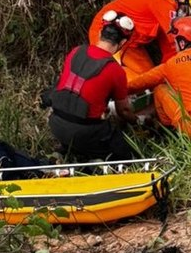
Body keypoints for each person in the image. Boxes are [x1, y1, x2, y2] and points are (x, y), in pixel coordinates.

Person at [48, 11, 139, 162]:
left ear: (99, 33)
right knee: (127, 155)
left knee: (79, 134)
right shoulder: (115, 70)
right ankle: (96, 161)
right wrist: (136, 121)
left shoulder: (76, 51)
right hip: (85, 131)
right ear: (122, 43)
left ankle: (65, 151)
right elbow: (123, 110)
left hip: (55, 123)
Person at [128, 16, 191, 137]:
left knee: (160, 89)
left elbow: (140, 83)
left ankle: (167, 132)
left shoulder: (171, 64)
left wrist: (116, 90)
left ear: (182, 42)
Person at [87, 0, 191, 79]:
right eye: (186, 11)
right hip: (107, 32)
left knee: (149, 78)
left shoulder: (169, 7)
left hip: (129, 42)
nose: (185, 17)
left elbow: (170, 50)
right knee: (124, 78)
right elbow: (174, 42)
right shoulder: (165, 4)